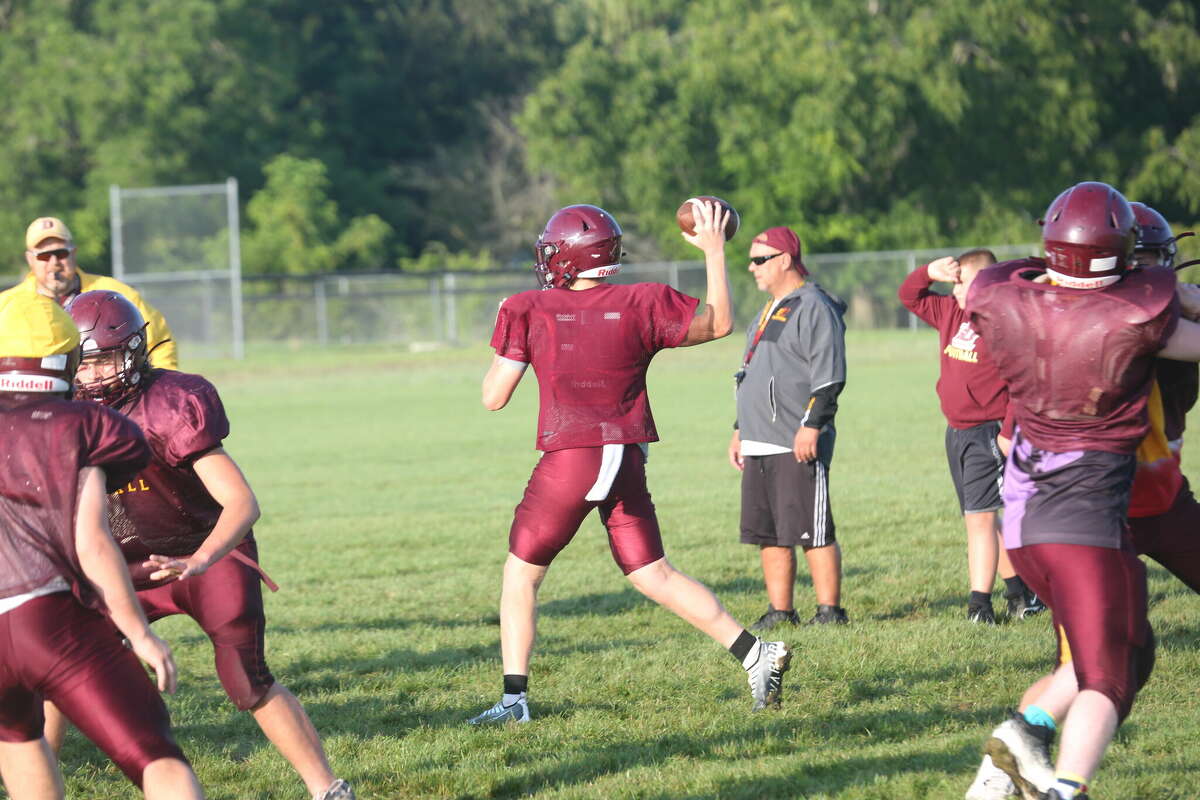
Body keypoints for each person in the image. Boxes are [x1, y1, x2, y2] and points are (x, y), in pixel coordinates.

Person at [470, 201, 792, 724]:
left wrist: (515, 333)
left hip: (575, 454)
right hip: (625, 454)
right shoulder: (643, 300)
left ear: (569, 257)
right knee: (651, 574)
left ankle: (513, 701)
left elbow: (493, 397)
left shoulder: (529, 307)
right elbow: (719, 323)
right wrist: (714, 252)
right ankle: (756, 653)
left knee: (521, 575)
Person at [48, 290, 353, 800]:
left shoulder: (172, 403)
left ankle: (328, 789)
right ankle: (36, 789)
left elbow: (241, 503)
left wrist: (199, 560)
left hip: (206, 550)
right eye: (86, 363)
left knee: (246, 680)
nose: (95, 377)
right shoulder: (62, 412)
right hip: (123, 564)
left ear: (136, 351)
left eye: (107, 361)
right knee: (58, 671)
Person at [964, 182, 1200, 800]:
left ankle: (1013, 748)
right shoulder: (1141, 321)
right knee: (1105, 675)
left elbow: (999, 280)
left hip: (1044, 520)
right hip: (1093, 519)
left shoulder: (1020, 310)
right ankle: (1063, 785)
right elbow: (1155, 322)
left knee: (1127, 655)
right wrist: (1177, 297)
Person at [0, 291, 203, 799]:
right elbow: (91, 539)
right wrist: (138, 633)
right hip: (50, 619)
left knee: (19, 739)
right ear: (69, 357)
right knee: (157, 760)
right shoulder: (84, 424)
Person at [898, 249, 1043, 624]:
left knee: (979, 519)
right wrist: (930, 271)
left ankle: (980, 606)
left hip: (988, 433)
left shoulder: (1001, 323)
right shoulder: (951, 312)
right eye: (954, 281)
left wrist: (1009, 431)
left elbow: (1022, 382)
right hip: (957, 431)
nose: (954, 287)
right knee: (980, 517)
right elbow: (908, 296)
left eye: (962, 281)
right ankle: (1020, 593)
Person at [728, 226, 848, 629]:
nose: (751, 267)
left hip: (795, 437)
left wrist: (811, 425)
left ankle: (830, 611)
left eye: (759, 259)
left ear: (784, 260)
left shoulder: (813, 305)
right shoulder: (770, 307)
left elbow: (829, 376)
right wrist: (739, 428)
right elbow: (752, 373)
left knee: (811, 528)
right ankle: (781, 611)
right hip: (759, 438)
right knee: (769, 532)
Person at [0, 216, 178, 369]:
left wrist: (160, 391)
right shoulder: (8, 305)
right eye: (44, 256)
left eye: (61, 253)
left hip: (108, 401)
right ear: (30, 259)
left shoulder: (114, 293)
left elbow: (159, 342)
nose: (54, 263)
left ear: (73, 253)